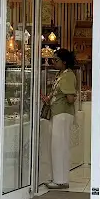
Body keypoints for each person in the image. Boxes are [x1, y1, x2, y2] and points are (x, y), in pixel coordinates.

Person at [42, 48, 77, 189]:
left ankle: (61, 180)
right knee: (57, 146)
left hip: (62, 114)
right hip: (58, 113)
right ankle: (58, 178)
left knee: (60, 147)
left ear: (64, 62)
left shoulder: (68, 75)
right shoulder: (61, 74)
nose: (53, 62)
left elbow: (70, 98)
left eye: (56, 60)